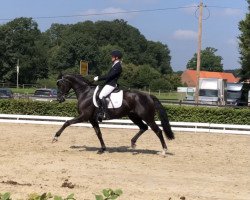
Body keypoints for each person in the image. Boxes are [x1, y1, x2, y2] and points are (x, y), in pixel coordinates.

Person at [94, 50, 123, 121]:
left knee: (101, 96)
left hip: (111, 84)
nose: (111, 57)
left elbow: (109, 76)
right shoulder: (115, 65)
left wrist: (99, 78)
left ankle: (104, 113)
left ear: (116, 57)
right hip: (108, 83)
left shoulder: (118, 65)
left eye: (112, 56)